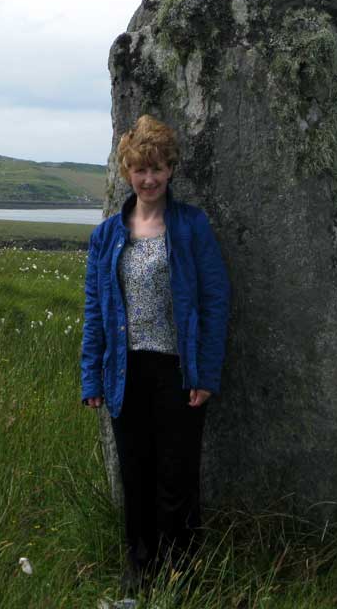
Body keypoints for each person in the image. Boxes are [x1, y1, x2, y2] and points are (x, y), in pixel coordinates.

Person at [80, 114, 230, 594]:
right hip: (125, 372)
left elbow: (214, 299)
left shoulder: (190, 226)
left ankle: (181, 578)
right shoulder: (106, 236)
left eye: (157, 169)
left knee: (177, 478)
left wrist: (204, 373)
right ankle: (137, 575)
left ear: (171, 171)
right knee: (136, 474)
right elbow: (95, 311)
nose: (148, 179)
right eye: (139, 169)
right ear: (127, 172)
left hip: (178, 371)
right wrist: (91, 379)